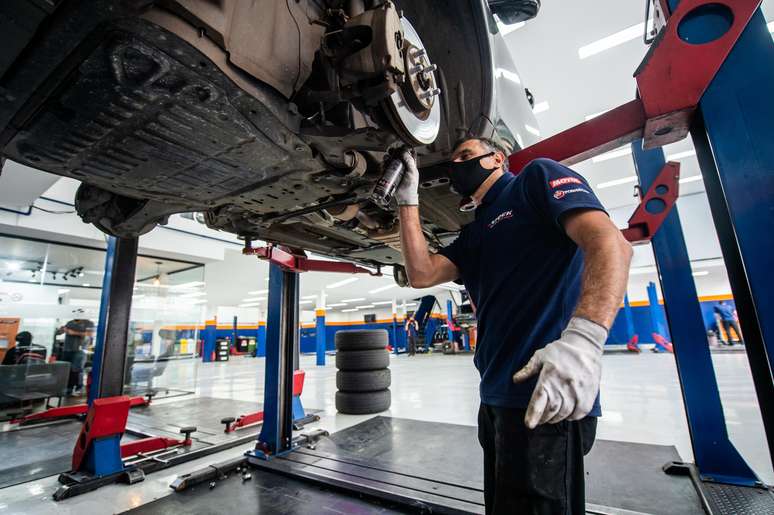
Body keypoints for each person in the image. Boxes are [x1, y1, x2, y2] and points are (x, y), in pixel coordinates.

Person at [395, 138, 633, 514]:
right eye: (453, 160)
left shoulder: (535, 179)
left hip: (545, 396)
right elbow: (421, 274)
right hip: (495, 397)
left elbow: (611, 243)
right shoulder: (475, 232)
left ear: (498, 159)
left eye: (466, 155)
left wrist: (586, 339)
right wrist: (407, 201)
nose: (456, 164)